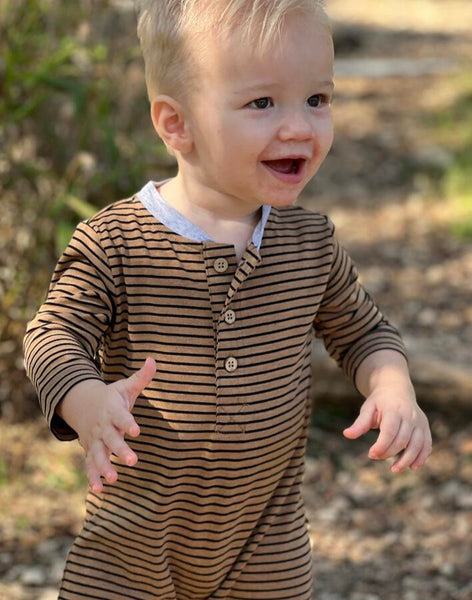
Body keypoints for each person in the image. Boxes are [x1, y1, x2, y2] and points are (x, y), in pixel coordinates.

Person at [24, 1, 432, 598]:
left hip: (266, 541)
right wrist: (85, 401)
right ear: (176, 125)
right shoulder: (118, 242)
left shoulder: (309, 242)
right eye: (262, 103)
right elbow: (52, 334)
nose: (299, 126)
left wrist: (393, 388)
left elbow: (364, 332)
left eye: (317, 100)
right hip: (132, 544)